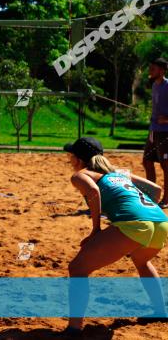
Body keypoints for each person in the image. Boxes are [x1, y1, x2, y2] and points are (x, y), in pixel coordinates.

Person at [63, 136, 168, 335]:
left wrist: (96, 230)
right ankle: (160, 311)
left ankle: (74, 329)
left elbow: (93, 191)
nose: (69, 159)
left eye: (71, 155)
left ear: (78, 158)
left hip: (136, 224)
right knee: (142, 262)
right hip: (160, 222)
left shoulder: (80, 175)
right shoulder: (118, 173)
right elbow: (156, 190)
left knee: (77, 268)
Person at [144, 57, 168, 207]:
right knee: (147, 161)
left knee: (166, 166)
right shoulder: (154, 86)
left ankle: (166, 199)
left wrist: (166, 119)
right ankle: (151, 195)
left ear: (162, 70)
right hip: (153, 130)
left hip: (166, 132)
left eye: (153, 68)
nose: (150, 71)